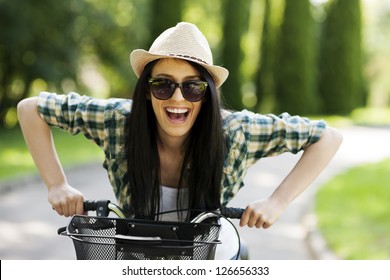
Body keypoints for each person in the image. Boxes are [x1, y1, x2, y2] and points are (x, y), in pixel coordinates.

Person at [17, 22, 342, 259]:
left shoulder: (236, 131)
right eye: (163, 85)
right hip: (138, 258)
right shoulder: (119, 120)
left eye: (192, 87)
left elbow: (327, 137)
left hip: (214, 255)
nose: (177, 98)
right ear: (147, 90)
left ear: (208, 94)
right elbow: (31, 108)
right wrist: (56, 184)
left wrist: (277, 202)